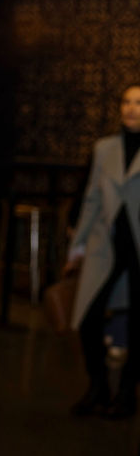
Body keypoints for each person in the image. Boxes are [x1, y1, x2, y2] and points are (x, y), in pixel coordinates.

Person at [67, 84, 140, 419]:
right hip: (105, 248)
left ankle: (126, 394)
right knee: (88, 317)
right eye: (126, 101)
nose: (131, 108)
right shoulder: (104, 148)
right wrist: (78, 246)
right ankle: (98, 386)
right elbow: (92, 200)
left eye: (138, 102)